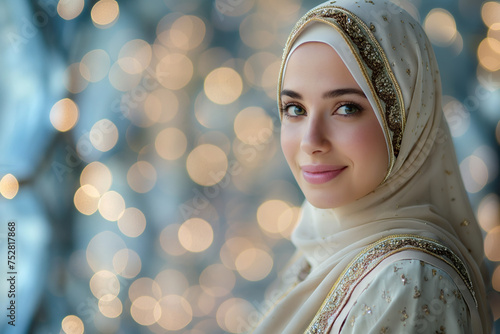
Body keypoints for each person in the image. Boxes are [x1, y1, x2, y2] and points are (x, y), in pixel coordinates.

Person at [250, 0, 492, 333]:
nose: (311, 141)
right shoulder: (313, 252)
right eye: (295, 108)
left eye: (346, 108)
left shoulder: (409, 282)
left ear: (408, 122)